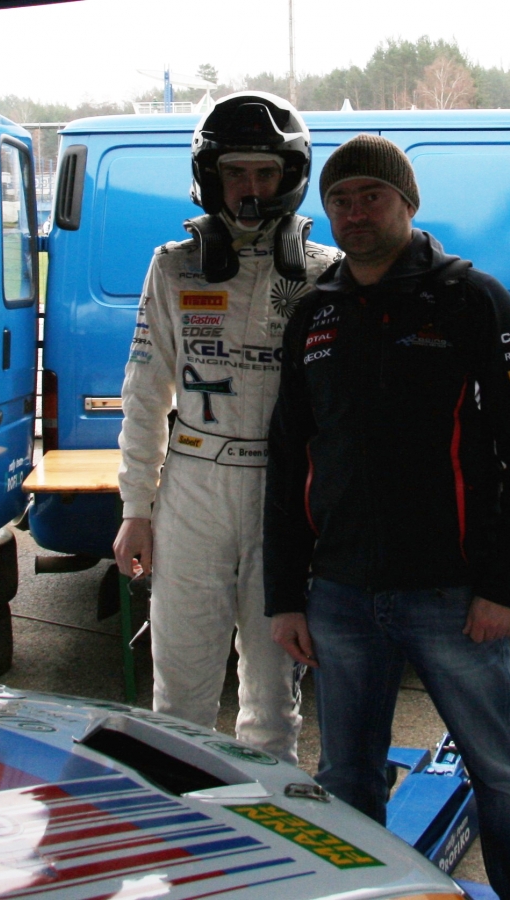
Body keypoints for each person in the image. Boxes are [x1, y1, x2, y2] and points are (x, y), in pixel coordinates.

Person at [264, 134, 510, 899]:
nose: (355, 212)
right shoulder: (315, 314)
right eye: (340, 200)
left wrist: (507, 587)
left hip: (452, 596)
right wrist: (284, 595)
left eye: (371, 195)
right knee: (345, 778)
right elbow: (290, 460)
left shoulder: (473, 300)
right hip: (340, 597)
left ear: (407, 203)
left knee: (504, 774)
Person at [114, 92, 340, 764]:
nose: (250, 188)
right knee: (180, 690)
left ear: (289, 175)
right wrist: (135, 509)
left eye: (265, 173)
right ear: (210, 176)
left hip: (284, 494)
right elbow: (144, 393)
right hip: (193, 487)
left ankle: (268, 812)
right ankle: (181, 808)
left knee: (272, 699)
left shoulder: (325, 273)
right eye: (235, 172)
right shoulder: (173, 266)